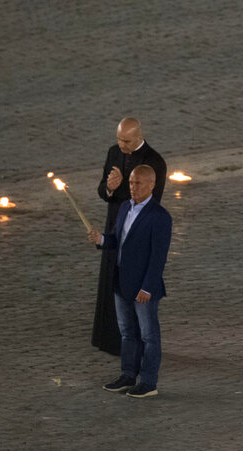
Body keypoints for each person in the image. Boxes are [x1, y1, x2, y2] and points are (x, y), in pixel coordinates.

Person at [87, 165, 172, 398]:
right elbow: (116, 240)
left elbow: (158, 257)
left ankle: (148, 382)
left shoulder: (160, 217)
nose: (133, 188)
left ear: (152, 185)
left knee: (149, 336)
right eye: (131, 183)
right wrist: (102, 239)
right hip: (121, 282)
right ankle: (127, 375)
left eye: (139, 184)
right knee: (127, 332)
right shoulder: (125, 207)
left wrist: (148, 287)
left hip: (143, 288)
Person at [92, 117, 167, 355]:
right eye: (118, 139)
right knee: (111, 283)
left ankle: (133, 344)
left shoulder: (154, 161)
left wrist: (121, 187)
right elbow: (103, 189)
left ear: (138, 136)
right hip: (114, 226)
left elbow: (150, 200)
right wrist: (110, 188)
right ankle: (109, 339)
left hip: (137, 232)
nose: (121, 144)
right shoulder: (114, 152)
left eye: (126, 140)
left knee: (130, 283)